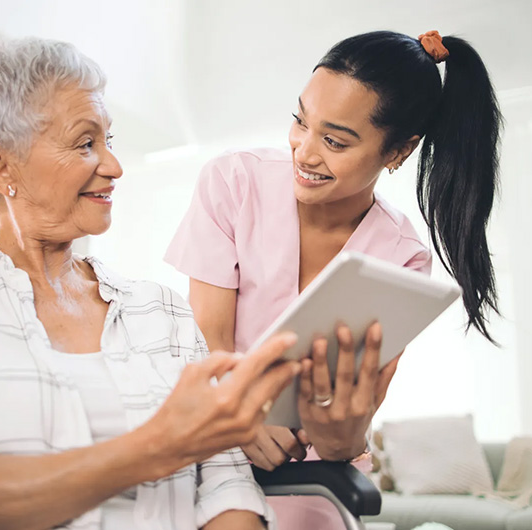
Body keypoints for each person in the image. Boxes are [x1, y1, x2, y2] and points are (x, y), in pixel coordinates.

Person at [0, 37, 339, 530]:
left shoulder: (162, 311)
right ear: (0, 165)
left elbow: (227, 489)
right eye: (85, 143)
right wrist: (157, 446)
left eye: (108, 141)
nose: (114, 166)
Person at [165, 30, 502, 529]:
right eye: (301, 121)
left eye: (335, 141)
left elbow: (352, 425)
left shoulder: (402, 257)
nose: (304, 152)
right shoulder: (233, 183)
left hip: (317, 482)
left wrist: (341, 436)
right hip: (212, 456)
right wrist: (242, 421)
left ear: (398, 152)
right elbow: (208, 344)